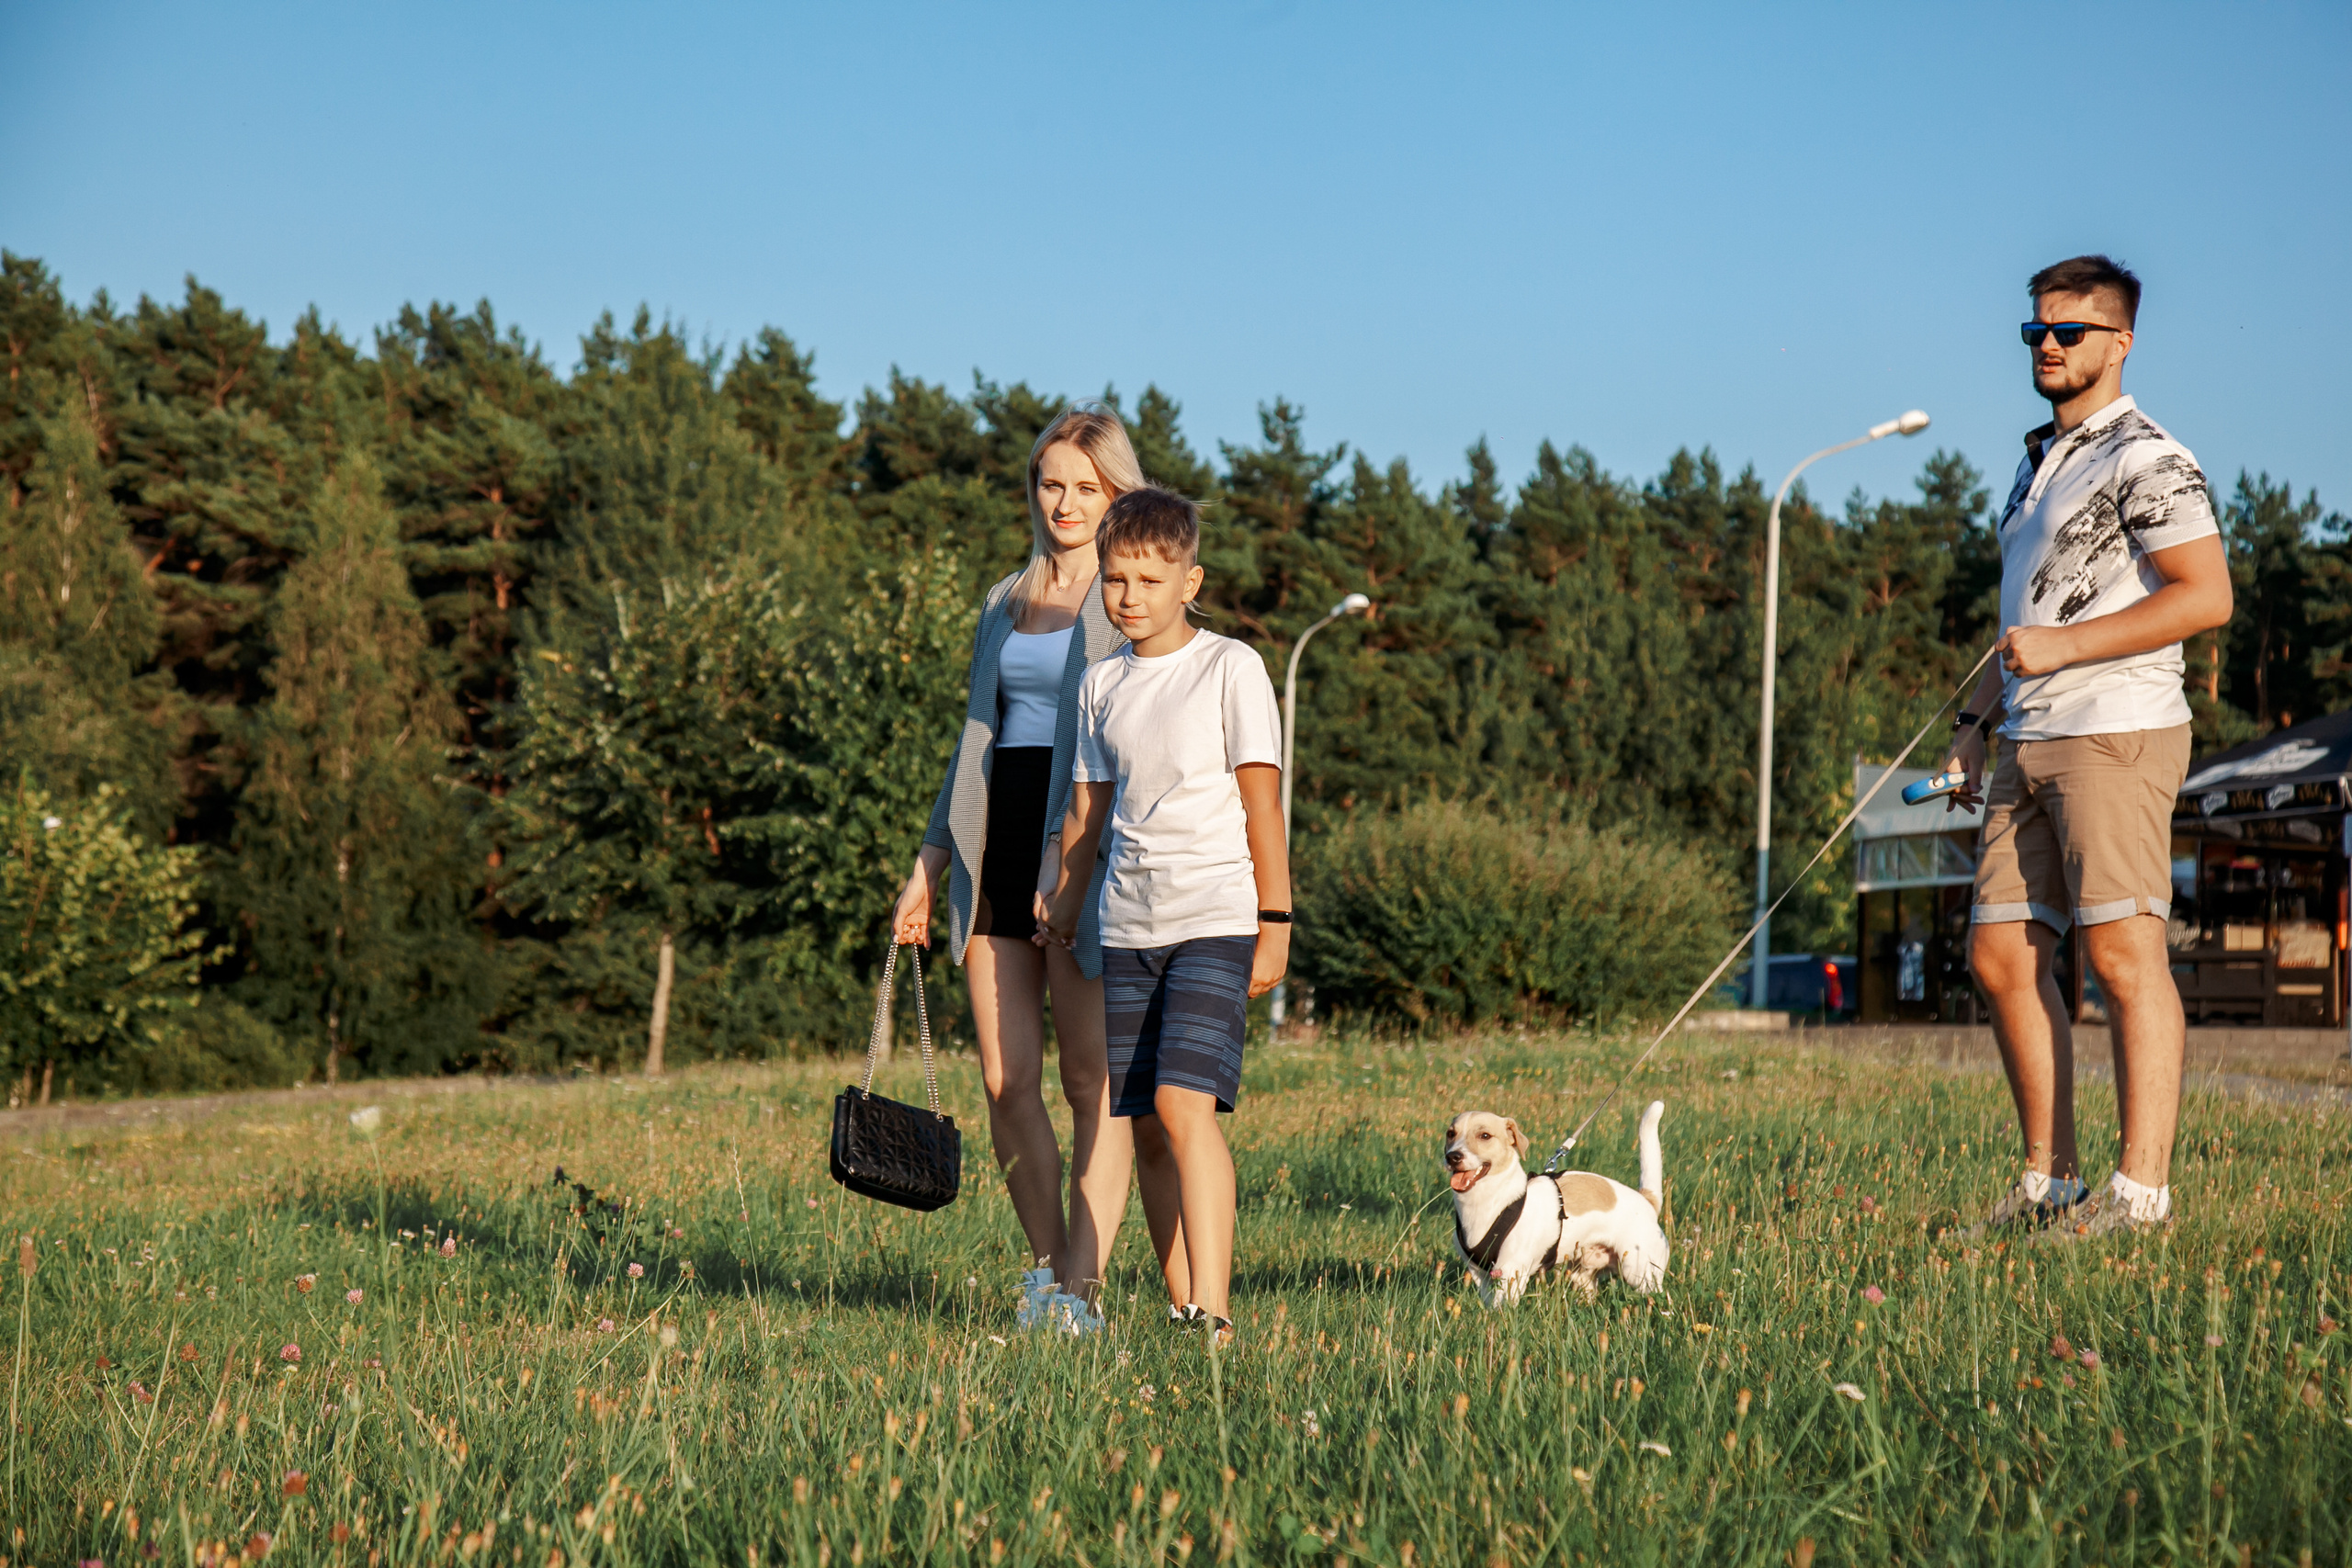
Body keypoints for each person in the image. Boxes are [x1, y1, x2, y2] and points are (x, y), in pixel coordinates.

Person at [1942, 255, 2233, 1241]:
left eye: (2069, 332)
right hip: (2025, 736)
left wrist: (2064, 645)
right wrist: (1971, 728)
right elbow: (2019, 620)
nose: (2050, 347)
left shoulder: (2147, 456)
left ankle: (2139, 1195)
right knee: (1998, 957)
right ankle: (2050, 1183)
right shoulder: (2036, 463)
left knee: (2120, 952)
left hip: (2116, 729)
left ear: (2120, 341)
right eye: (2036, 333)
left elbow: (2204, 595)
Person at [890, 405, 1142, 1333]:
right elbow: (975, 738)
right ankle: (1046, 1280)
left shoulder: (1125, 595)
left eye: (1085, 485)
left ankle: (1084, 1281)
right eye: (1050, 483)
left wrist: (1063, 853)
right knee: (1005, 1081)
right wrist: (927, 862)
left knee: (1092, 1084)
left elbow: (1127, 739)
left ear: (1117, 489)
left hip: (1082, 841)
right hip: (990, 836)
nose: (1065, 502)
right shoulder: (1004, 597)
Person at [1041, 487, 1291, 1348]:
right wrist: (1063, 909)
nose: (1129, 595)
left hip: (1216, 916)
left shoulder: (1231, 668)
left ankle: (1216, 1315)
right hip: (1129, 926)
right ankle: (1184, 1304)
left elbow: (1263, 804)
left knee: (1187, 1107)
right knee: (1144, 1127)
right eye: (1115, 578)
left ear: (1192, 579)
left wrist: (1277, 918)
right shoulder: (1103, 683)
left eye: (1150, 577)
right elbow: (1086, 814)